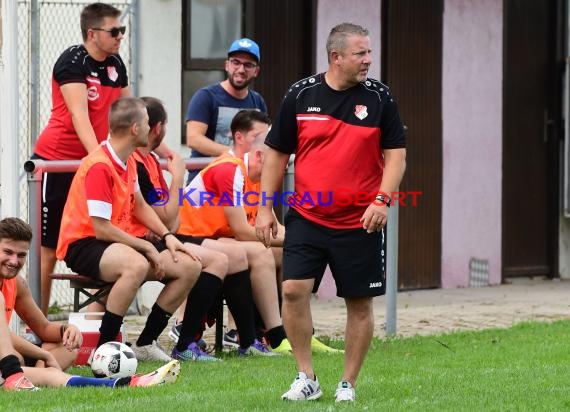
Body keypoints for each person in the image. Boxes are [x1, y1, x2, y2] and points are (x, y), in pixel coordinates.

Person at [255, 23, 407, 403]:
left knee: (358, 303)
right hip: (307, 216)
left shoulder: (380, 98)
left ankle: (347, 384)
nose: (368, 60)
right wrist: (264, 208)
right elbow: (276, 153)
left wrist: (382, 201)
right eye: (360, 54)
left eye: (369, 53)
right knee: (292, 290)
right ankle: (306, 377)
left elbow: (396, 157)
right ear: (336, 57)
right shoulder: (301, 94)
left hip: (361, 220)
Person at [55, 97, 205, 365]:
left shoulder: (129, 160)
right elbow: (100, 229)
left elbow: (140, 207)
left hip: (114, 241)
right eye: (148, 123)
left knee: (189, 265)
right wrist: (147, 247)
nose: (152, 129)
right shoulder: (100, 164)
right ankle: (104, 350)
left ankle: (146, 342)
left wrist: (167, 237)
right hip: (83, 243)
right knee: (135, 264)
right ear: (136, 128)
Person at [132, 96, 273, 359]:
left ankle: (249, 339)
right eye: (260, 136)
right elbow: (167, 218)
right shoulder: (229, 168)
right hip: (155, 239)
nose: (265, 144)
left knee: (240, 254)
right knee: (221, 259)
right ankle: (183, 339)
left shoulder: (150, 160)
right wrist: (176, 177)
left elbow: (168, 218)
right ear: (158, 128)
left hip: (169, 235)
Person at [0, 217, 180, 391]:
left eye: (21, 255)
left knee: (69, 347)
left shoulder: (17, 283)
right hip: (7, 358)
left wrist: (67, 330)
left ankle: (30, 376)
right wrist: (43, 354)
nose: (14, 261)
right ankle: (125, 383)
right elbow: (5, 334)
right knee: (36, 367)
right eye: (8, 252)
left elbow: (43, 328)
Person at [31, 2, 130, 315]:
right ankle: (39, 323)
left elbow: (128, 115)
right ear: (92, 33)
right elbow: (79, 116)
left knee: (108, 240)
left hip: (96, 164)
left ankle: (94, 319)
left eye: (123, 30)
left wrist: (150, 147)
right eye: (114, 31)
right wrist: (100, 159)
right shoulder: (72, 61)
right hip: (59, 162)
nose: (120, 37)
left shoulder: (115, 63)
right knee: (48, 249)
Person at [179, 110, 291, 353]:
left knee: (285, 253)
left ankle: (282, 329)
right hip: (194, 238)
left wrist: (298, 240)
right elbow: (242, 231)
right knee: (261, 252)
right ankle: (275, 334)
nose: (282, 165)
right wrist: (293, 240)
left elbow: (271, 226)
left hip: (219, 238)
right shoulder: (229, 168)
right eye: (261, 136)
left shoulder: (256, 173)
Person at [185, 37, 267, 182]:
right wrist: (235, 154)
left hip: (242, 185)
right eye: (236, 62)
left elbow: (264, 141)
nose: (241, 69)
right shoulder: (206, 97)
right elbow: (194, 139)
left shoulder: (258, 102)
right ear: (227, 65)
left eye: (248, 65)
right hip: (205, 186)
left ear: (256, 71)